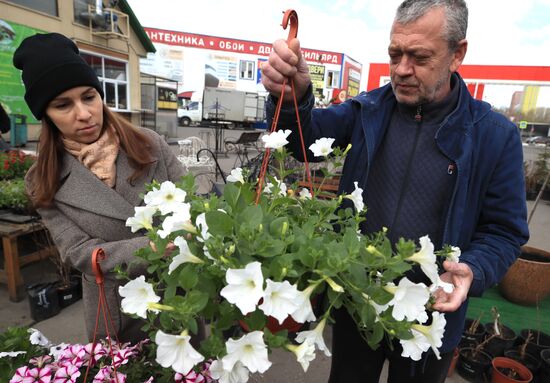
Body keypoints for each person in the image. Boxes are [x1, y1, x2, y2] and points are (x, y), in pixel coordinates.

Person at [261, 0, 529, 382]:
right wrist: (294, 99)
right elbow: (299, 141)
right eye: (395, 54)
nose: (402, 69)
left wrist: (474, 268)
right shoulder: (367, 110)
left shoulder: (494, 136)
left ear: (458, 54)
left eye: (419, 57)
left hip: (431, 317)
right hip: (357, 304)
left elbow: (505, 231)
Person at [13, 32, 187, 343]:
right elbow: (78, 250)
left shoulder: (150, 145)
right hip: (116, 306)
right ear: (46, 115)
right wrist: (150, 249)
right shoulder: (42, 179)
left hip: (179, 294)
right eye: (63, 105)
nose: (83, 114)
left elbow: (194, 200)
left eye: (89, 96)